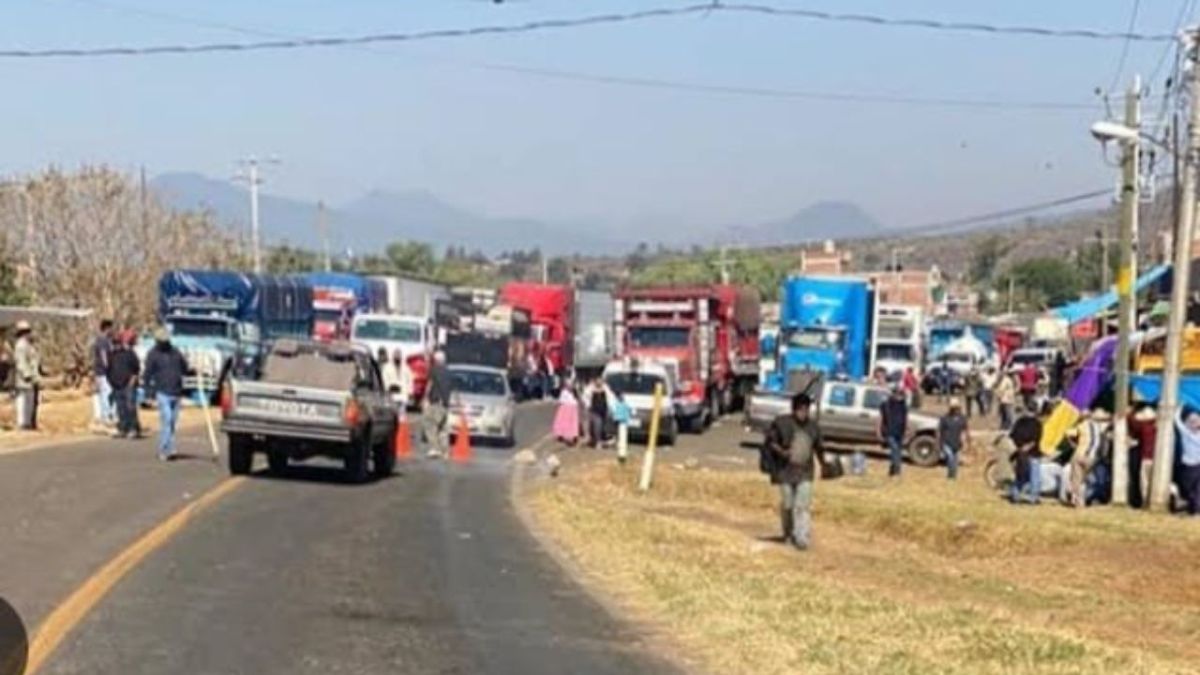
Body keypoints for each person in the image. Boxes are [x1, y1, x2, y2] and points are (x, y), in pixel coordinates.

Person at [763, 392, 826, 551]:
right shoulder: (782, 423)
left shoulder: (813, 427)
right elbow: (771, 442)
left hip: (805, 472)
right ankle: (788, 532)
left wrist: (824, 464)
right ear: (794, 409)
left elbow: (819, 447)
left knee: (802, 506)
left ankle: (802, 537)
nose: (803, 413)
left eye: (806, 409)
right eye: (800, 409)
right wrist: (782, 452)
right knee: (788, 504)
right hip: (785, 471)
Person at [142, 328, 188, 460]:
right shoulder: (153, 354)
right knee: (166, 421)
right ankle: (165, 450)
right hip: (162, 392)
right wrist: (148, 393)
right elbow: (147, 374)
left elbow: (184, 368)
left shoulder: (176, 353)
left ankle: (169, 447)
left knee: (172, 422)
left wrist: (191, 371)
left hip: (177, 392)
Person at [1065, 408, 1108, 508]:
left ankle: (1075, 500)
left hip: (1080, 454)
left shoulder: (1081, 426)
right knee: (1084, 480)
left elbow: (1068, 433)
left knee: (1076, 479)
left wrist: (1073, 444)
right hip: (1092, 457)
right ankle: (1082, 500)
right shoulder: (1099, 428)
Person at [106, 330, 142, 439]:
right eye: (114, 343)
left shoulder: (129, 353)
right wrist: (111, 382)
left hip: (128, 384)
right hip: (116, 385)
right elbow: (108, 370)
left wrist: (133, 379)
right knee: (120, 408)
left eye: (117, 343)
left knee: (130, 407)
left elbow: (136, 368)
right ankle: (123, 428)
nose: (116, 345)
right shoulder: (111, 355)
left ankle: (133, 428)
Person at [1126, 404, 1157, 508]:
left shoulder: (1144, 427)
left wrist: (1129, 413)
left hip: (1146, 457)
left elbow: (1133, 423)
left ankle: (1145, 502)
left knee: (1145, 482)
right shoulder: (1158, 427)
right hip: (1157, 459)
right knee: (1152, 481)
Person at [423, 350, 452, 459]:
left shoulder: (434, 370)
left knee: (430, 424)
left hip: (436, 401)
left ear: (436, 360)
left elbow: (429, 384)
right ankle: (446, 452)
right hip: (445, 403)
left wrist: (425, 397)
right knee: (443, 428)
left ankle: (434, 448)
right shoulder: (449, 372)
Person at [1009, 412, 1043, 504]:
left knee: (1020, 475)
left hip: (1020, 453)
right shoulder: (1037, 423)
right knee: (1035, 477)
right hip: (1034, 453)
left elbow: (1012, 435)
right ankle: (1034, 497)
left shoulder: (1019, 422)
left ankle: (1015, 495)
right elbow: (1037, 438)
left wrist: (1020, 447)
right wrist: (1028, 447)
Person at [13, 320, 41, 431]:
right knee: (23, 401)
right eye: (26, 331)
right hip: (24, 379)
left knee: (30, 401)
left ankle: (28, 422)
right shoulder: (21, 345)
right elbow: (21, 363)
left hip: (31, 378)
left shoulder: (28, 345)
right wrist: (28, 375)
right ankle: (23, 423)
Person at [1173, 407, 1200, 515]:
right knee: (1189, 488)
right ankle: (1193, 507)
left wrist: (1179, 407)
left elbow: (1177, 419)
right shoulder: (1185, 431)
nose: (1193, 424)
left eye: (1195, 421)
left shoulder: (1185, 432)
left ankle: (1195, 509)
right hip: (1189, 465)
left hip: (1194, 465)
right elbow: (1177, 420)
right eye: (1191, 421)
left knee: (1195, 489)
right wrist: (1180, 407)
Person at [91, 319, 116, 430]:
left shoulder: (105, 340)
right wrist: (108, 367)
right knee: (106, 393)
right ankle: (106, 416)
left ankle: (105, 415)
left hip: (101, 372)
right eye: (111, 328)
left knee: (104, 393)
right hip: (102, 372)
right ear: (107, 328)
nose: (112, 330)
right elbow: (103, 354)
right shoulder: (102, 341)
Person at [878, 385, 908, 477]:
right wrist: (878, 431)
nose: (899, 396)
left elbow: (905, 418)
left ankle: (892, 470)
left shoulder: (903, 405)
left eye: (900, 394)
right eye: (897, 393)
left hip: (900, 431)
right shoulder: (886, 404)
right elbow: (881, 418)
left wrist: (906, 430)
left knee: (897, 451)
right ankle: (897, 470)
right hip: (889, 431)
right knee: (895, 450)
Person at [938, 398, 969, 480]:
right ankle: (950, 476)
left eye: (957, 408)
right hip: (947, 442)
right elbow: (940, 430)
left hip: (957, 443)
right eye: (954, 408)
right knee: (950, 458)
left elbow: (965, 430)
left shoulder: (962, 418)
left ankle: (953, 476)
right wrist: (940, 443)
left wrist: (966, 441)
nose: (956, 410)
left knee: (955, 460)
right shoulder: (945, 418)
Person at [552, 381, 580, 446]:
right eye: (568, 385)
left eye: (571, 385)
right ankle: (567, 437)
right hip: (566, 409)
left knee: (572, 423)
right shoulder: (564, 392)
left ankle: (572, 436)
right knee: (565, 423)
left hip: (573, 409)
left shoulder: (574, 392)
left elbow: (576, 400)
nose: (570, 386)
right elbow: (561, 400)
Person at [586, 378, 610, 448]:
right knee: (597, 425)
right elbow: (586, 397)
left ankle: (598, 440)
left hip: (603, 409)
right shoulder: (590, 388)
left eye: (601, 380)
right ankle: (598, 442)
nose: (599, 382)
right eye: (598, 380)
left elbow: (609, 397)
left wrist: (610, 408)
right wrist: (588, 406)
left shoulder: (605, 388)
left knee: (602, 426)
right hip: (594, 410)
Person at [612, 391, 633, 464]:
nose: (622, 397)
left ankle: (622, 454)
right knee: (620, 436)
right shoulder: (616, 404)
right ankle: (620, 451)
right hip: (618, 421)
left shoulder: (625, 404)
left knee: (623, 437)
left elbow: (629, 411)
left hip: (623, 422)